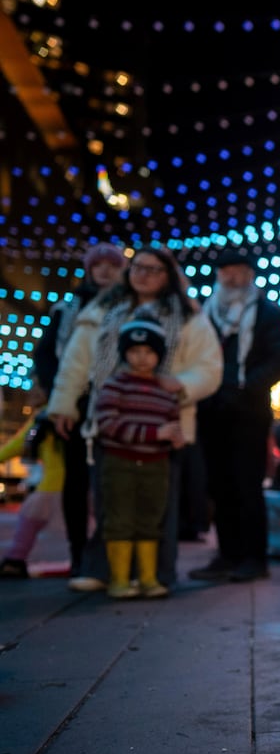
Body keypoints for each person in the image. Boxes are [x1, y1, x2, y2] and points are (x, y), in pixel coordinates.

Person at [46, 246, 223, 593]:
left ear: (168, 275)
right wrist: (63, 404)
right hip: (111, 420)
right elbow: (76, 360)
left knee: (158, 504)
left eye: (155, 269)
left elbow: (209, 367)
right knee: (110, 498)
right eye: (139, 267)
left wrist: (181, 384)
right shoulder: (104, 308)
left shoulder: (188, 315)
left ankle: (155, 574)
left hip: (164, 423)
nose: (145, 275)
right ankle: (103, 570)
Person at [191, 249, 280, 583]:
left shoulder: (266, 313)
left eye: (237, 270)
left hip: (248, 411)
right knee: (218, 485)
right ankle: (227, 554)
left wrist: (246, 386)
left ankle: (253, 557)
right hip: (210, 408)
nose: (230, 277)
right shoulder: (205, 314)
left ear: (249, 275)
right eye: (225, 271)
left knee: (246, 484)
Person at [36, 242, 127, 575]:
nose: (104, 270)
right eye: (98, 264)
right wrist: (58, 399)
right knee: (75, 480)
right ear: (88, 269)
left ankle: (107, 551)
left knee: (112, 478)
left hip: (114, 400)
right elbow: (46, 355)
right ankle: (78, 553)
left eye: (111, 265)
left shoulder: (130, 305)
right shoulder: (66, 308)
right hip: (73, 402)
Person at [90, 319, 184, 598]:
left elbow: (173, 419)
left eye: (148, 351)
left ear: (159, 355)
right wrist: (155, 433)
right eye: (134, 351)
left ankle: (148, 578)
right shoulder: (116, 384)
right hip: (120, 462)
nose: (142, 358)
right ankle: (119, 579)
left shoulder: (164, 389)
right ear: (124, 353)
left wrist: (175, 436)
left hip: (156, 465)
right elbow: (107, 423)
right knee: (119, 517)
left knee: (150, 518)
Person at [0, 421, 64, 578]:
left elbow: (19, 443)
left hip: (53, 483)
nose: (32, 396)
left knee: (29, 518)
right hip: (79, 483)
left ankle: (15, 560)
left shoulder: (45, 417)